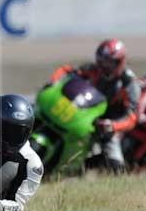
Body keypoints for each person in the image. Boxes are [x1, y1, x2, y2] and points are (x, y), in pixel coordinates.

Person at [49, 38, 140, 172]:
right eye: (101, 61)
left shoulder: (129, 83)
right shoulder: (93, 69)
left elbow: (132, 117)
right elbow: (66, 70)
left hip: (108, 122)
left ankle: (105, 169)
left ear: (119, 62)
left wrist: (113, 125)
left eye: (108, 63)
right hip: (83, 113)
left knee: (115, 162)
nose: (104, 66)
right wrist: (53, 82)